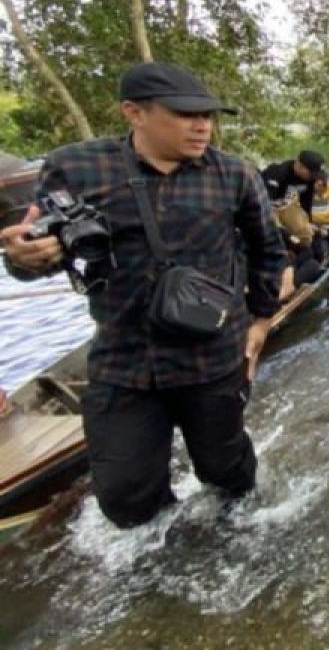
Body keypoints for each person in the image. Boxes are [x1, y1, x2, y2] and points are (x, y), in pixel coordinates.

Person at [1, 62, 287, 528]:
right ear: (134, 113)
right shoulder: (76, 168)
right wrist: (24, 260)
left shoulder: (234, 175)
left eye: (209, 117)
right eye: (184, 115)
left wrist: (260, 323)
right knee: (126, 498)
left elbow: (267, 250)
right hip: (125, 360)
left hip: (212, 356)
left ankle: (234, 537)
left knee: (227, 471)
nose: (202, 127)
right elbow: (39, 251)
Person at [261, 150, 326, 220]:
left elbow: (306, 203)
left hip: (283, 206)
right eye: (312, 174)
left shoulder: (309, 179)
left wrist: (309, 222)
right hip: (262, 208)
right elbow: (264, 203)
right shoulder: (277, 173)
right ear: (300, 166)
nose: (315, 178)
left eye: (317, 174)